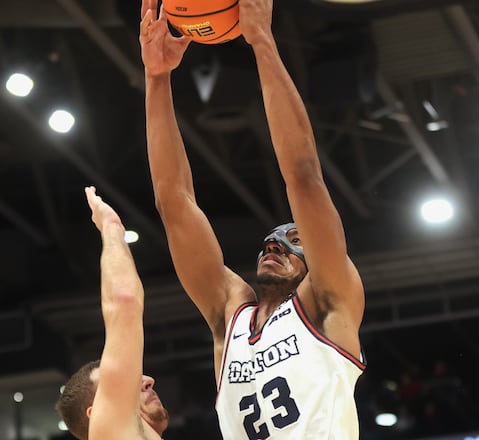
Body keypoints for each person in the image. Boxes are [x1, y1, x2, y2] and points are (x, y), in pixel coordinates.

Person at [139, 0, 366, 438]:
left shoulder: (328, 301)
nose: (275, 245)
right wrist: (157, 77)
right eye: (270, 242)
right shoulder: (230, 317)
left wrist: (261, 39)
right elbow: (175, 202)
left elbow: (303, 176)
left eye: (293, 239)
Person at [54, 186, 170, 439]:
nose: (147, 380)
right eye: (123, 385)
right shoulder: (110, 431)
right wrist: (111, 226)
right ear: (97, 415)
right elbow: (124, 300)